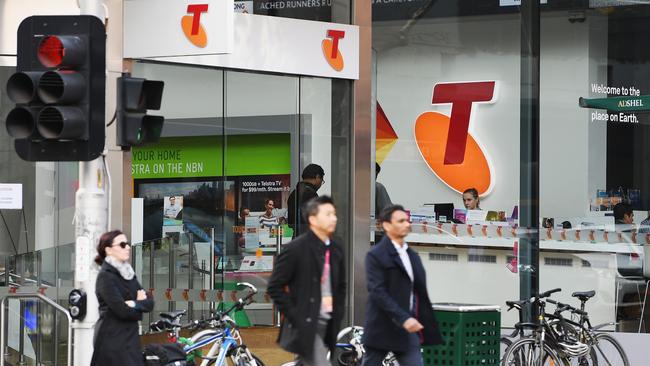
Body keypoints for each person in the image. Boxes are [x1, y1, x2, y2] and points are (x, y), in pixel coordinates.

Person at [268, 196, 346, 366]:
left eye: (334, 214)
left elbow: (341, 285)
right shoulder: (295, 249)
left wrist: (338, 311)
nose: (334, 218)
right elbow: (275, 287)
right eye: (328, 214)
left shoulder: (336, 248)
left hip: (329, 322)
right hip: (307, 324)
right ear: (312, 219)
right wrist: (297, 316)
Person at [362, 204, 443, 366]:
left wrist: (419, 318)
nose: (407, 224)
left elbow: (418, 292)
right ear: (386, 225)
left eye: (407, 220)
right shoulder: (376, 255)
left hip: (406, 329)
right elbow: (378, 292)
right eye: (401, 221)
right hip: (381, 327)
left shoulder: (411, 255)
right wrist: (403, 318)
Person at [91, 230, 154, 366]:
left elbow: (150, 303)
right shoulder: (105, 276)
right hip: (112, 339)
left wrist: (133, 303)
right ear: (109, 250)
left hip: (130, 338)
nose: (128, 247)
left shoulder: (128, 272)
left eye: (128, 244)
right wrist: (138, 303)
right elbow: (121, 310)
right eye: (122, 244)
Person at [287, 164, 325, 236]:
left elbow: (291, 223)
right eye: (321, 180)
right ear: (317, 177)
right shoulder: (312, 195)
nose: (320, 184)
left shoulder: (294, 194)